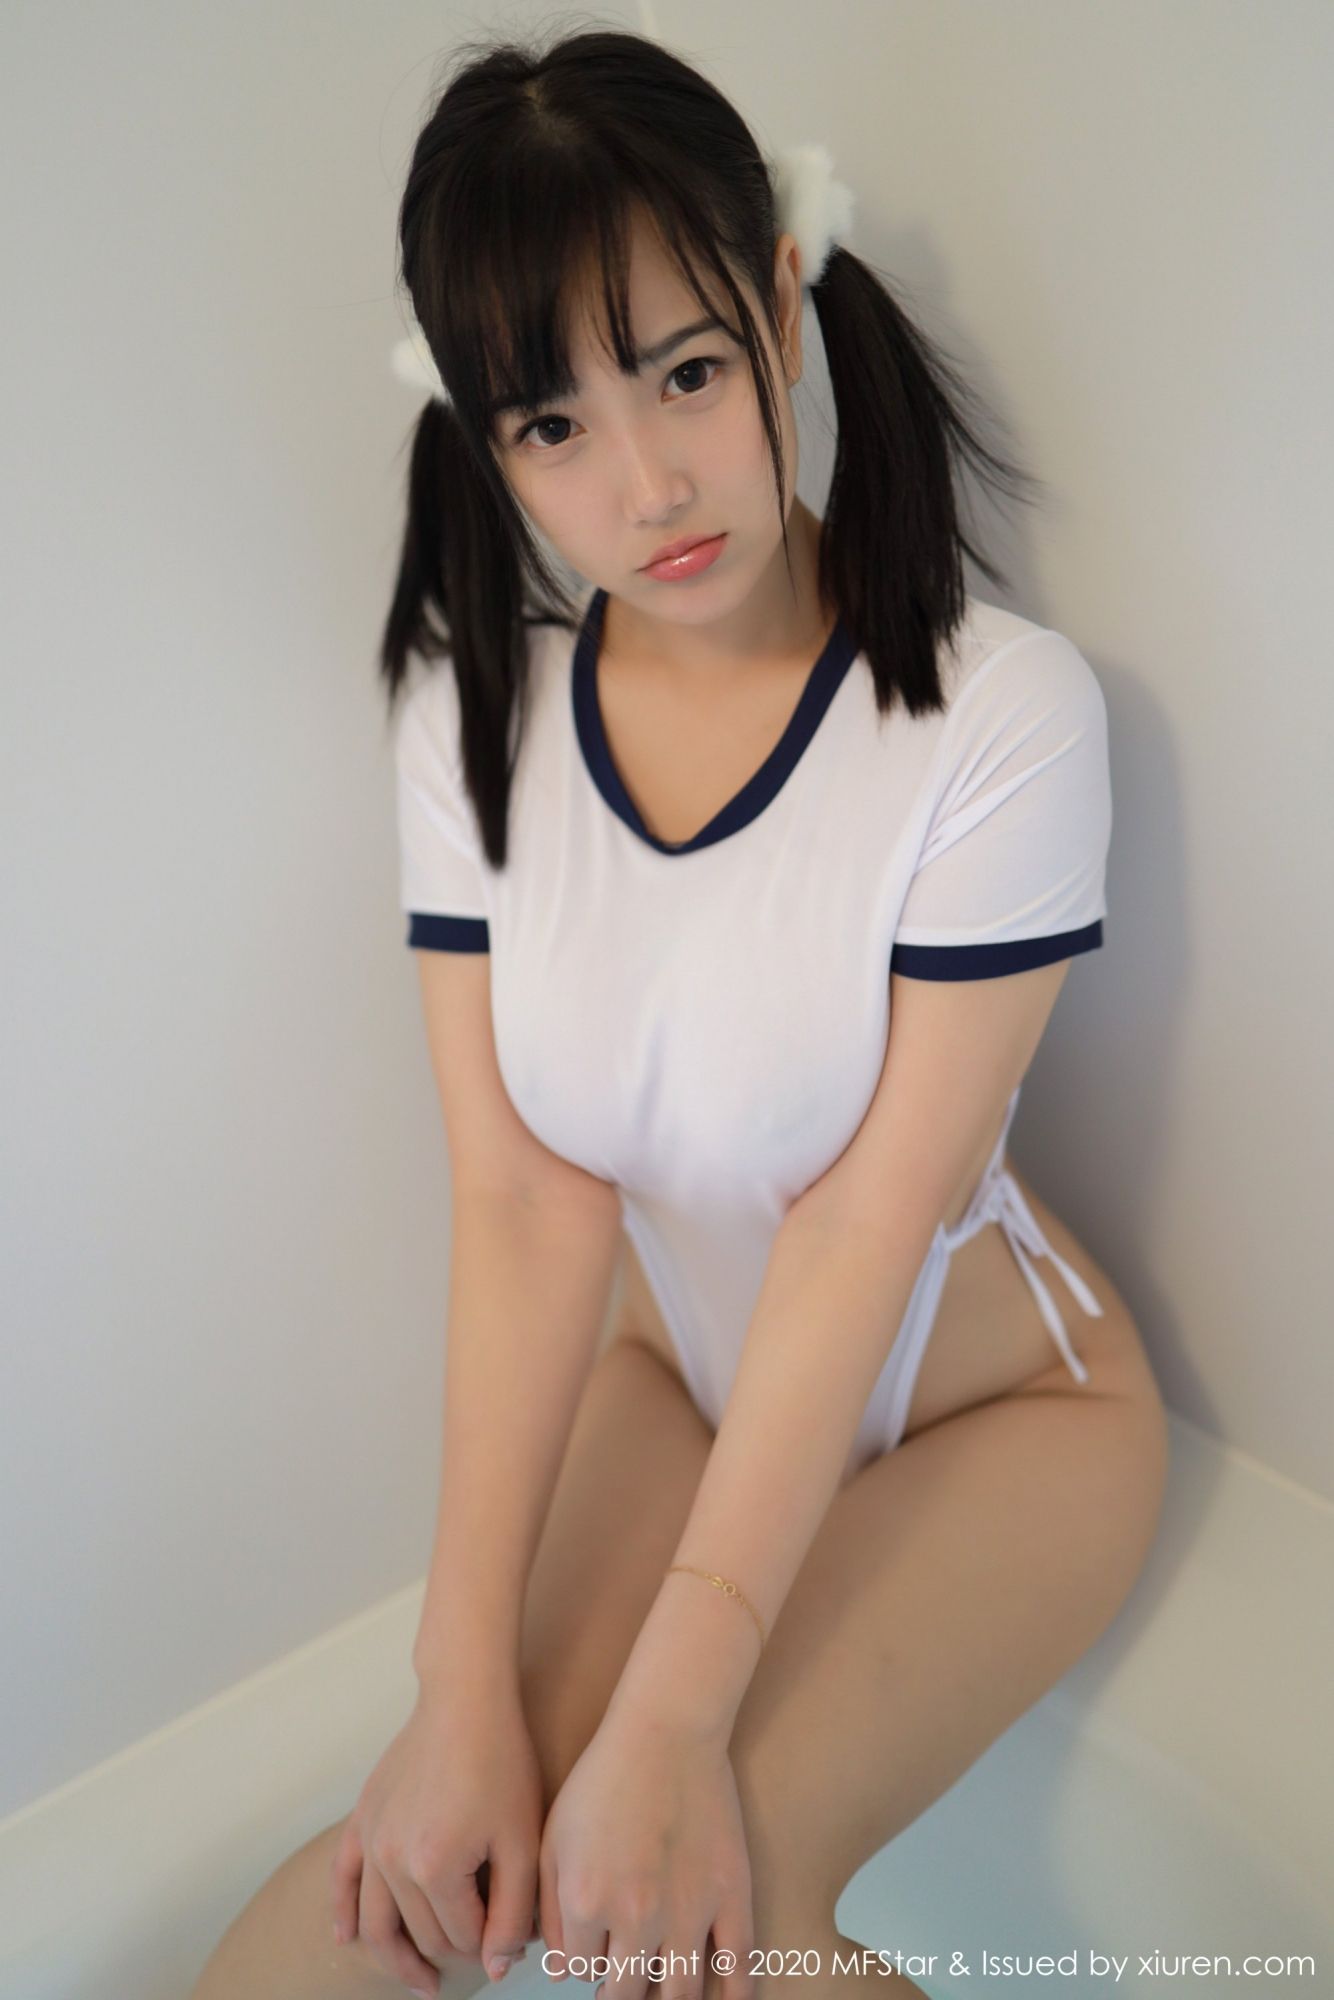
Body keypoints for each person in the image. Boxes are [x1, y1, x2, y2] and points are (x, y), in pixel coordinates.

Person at [190, 24, 1170, 2000]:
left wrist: (677, 1706)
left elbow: (870, 1216)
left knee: (718, 1922)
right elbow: (524, 1201)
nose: (644, 486)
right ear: (483, 445)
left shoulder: (996, 714)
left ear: (780, 311)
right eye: (551, 425)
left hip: (1002, 1414)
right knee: (402, 1886)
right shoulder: (470, 727)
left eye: (687, 374)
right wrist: (457, 1683)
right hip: (683, 1384)